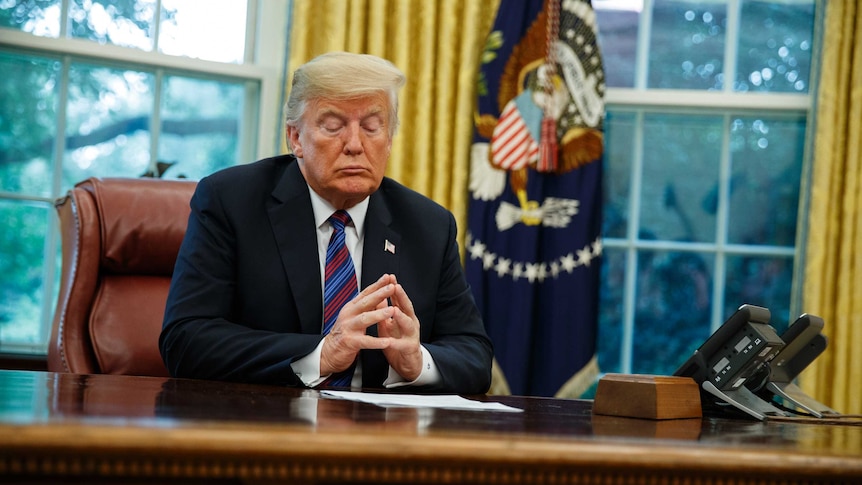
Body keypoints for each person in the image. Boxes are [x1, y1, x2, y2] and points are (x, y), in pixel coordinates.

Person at [160, 51, 493, 394]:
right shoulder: (230, 202)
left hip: (382, 437)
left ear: (389, 139)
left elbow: (475, 355)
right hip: (263, 425)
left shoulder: (429, 226)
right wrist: (322, 354)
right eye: (333, 126)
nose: (354, 145)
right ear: (295, 138)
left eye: (372, 128)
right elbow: (185, 339)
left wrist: (416, 362)